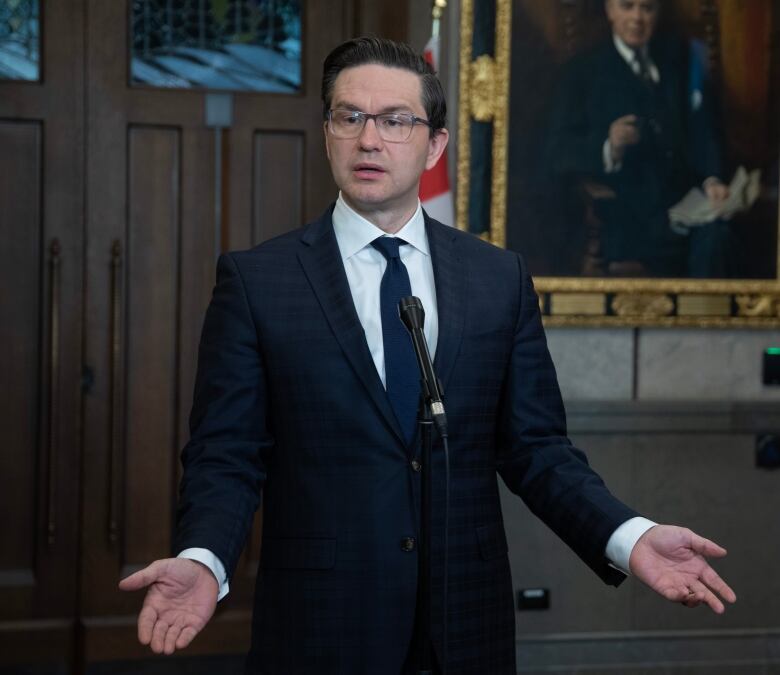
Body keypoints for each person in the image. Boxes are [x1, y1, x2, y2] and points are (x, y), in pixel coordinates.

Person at [119, 37, 736, 674]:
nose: (368, 139)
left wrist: (629, 538)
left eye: (394, 120)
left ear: (434, 145)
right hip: (321, 624)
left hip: (465, 624)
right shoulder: (258, 282)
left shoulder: (498, 278)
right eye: (348, 116)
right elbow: (227, 454)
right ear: (327, 132)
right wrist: (203, 558)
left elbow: (538, 450)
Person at [546, 0, 732, 277]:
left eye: (647, 8)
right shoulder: (582, 72)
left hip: (686, 206)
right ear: (609, 10)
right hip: (625, 216)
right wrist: (609, 146)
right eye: (627, 6)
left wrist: (712, 178)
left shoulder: (678, 62)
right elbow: (558, 151)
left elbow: (702, 130)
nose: (637, 18)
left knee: (721, 241)